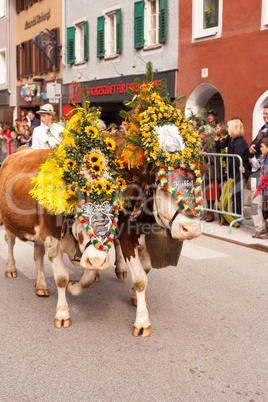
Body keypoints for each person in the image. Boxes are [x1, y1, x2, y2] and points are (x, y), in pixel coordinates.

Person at [214, 118, 251, 216]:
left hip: (240, 170)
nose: (227, 129)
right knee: (234, 193)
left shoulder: (240, 142)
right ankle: (233, 214)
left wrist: (232, 175)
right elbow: (222, 146)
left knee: (237, 193)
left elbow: (236, 161)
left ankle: (237, 216)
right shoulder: (231, 139)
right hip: (234, 169)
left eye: (229, 127)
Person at [251, 137, 268, 239]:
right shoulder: (263, 158)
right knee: (254, 204)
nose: (260, 149)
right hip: (262, 188)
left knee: (266, 211)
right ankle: (260, 228)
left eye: (262, 147)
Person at [249, 105, 268, 172]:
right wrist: (251, 146)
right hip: (260, 157)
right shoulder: (264, 126)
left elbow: (264, 139)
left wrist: (255, 148)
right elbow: (256, 138)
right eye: (264, 113)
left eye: (267, 114)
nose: (264, 116)